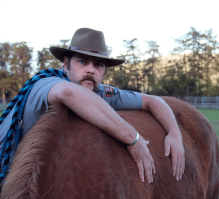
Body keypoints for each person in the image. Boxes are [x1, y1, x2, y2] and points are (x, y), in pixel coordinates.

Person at [0, 28, 185, 184]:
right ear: (66, 65)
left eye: (98, 65)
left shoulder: (100, 92)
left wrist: (174, 132)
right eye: (82, 62)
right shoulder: (46, 84)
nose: (90, 69)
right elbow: (68, 93)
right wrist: (133, 139)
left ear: (104, 72)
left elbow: (153, 100)